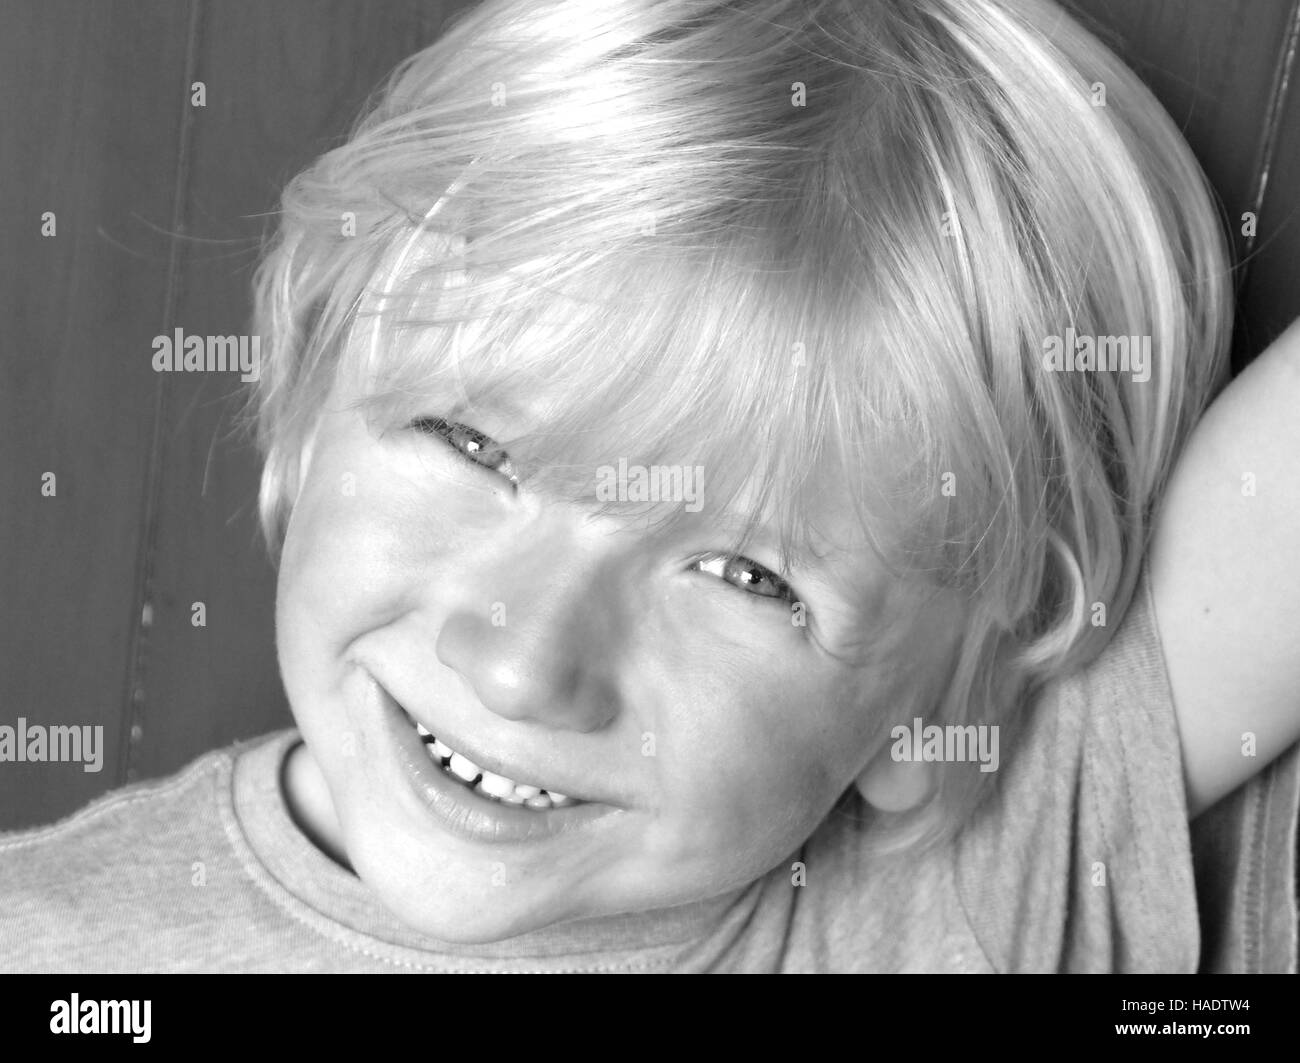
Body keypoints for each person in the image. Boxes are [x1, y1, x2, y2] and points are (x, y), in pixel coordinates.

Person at [3, 0, 1298, 972]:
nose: (525, 667)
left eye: (745, 575)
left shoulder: (967, 893)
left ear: (927, 713)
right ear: (309, 399)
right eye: (472, 445)